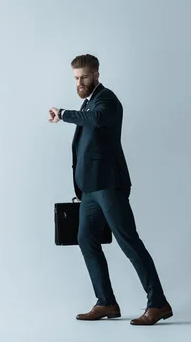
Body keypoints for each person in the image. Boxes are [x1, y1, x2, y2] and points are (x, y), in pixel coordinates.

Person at [48, 54, 173, 326]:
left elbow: (95, 119)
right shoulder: (89, 102)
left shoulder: (107, 101)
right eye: (75, 78)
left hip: (108, 186)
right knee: (86, 240)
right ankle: (106, 302)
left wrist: (64, 114)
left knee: (129, 242)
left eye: (83, 77)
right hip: (91, 190)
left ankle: (159, 303)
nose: (79, 82)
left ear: (96, 75)